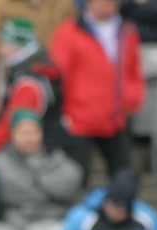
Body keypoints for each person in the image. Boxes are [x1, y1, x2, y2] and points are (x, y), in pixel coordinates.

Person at [50, 0, 146, 185]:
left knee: (123, 177)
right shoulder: (69, 31)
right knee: (77, 179)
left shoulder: (127, 32)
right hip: (79, 118)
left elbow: (134, 70)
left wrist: (131, 100)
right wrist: (64, 112)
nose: (106, 7)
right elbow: (59, 75)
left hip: (115, 117)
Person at [0, 18, 69, 159]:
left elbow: (14, 124)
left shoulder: (27, 83)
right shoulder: (39, 69)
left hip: (42, 157)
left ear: (17, 45)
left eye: (3, 44)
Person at [0, 110, 81, 230]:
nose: (29, 138)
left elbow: (69, 187)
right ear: (12, 134)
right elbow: (5, 194)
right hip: (13, 225)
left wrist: (34, 180)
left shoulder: (58, 159)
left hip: (53, 221)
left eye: (34, 132)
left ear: (42, 134)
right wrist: (45, 192)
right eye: (23, 133)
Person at [0, 0, 77, 118]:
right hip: (14, 84)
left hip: (56, 85)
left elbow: (76, 43)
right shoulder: (3, 4)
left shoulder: (64, 4)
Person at [50, 167, 157, 230]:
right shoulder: (82, 217)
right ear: (106, 201)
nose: (119, 213)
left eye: (125, 209)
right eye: (116, 207)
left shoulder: (146, 217)